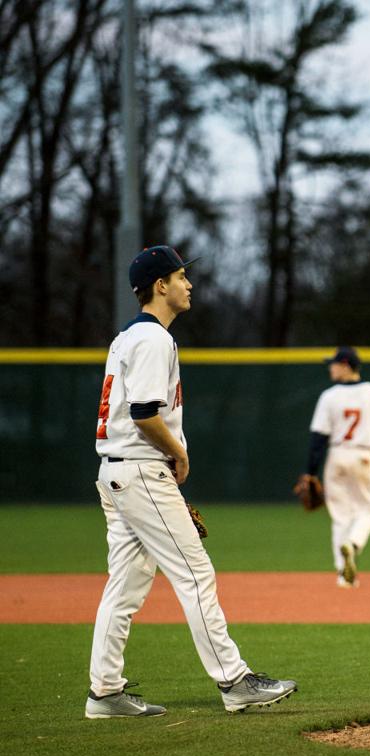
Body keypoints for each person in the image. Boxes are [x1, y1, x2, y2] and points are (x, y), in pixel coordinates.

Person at [88, 245, 297, 718]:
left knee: (124, 585)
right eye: (181, 276)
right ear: (160, 285)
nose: (189, 284)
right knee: (195, 572)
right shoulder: (151, 339)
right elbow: (144, 414)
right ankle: (234, 680)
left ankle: (103, 692)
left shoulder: (131, 337)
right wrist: (178, 452)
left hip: (118, 472)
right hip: (141, 469)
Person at [300, 346, 370, 588]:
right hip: (363, 455)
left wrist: (310, 472)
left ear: (345, 365)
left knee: (340, 515)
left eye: (333, 363)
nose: (330, 367)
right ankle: (353, 544)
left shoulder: (329, 396)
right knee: (369, 510)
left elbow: (318, 439)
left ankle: (343, 576)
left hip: (336, 456)